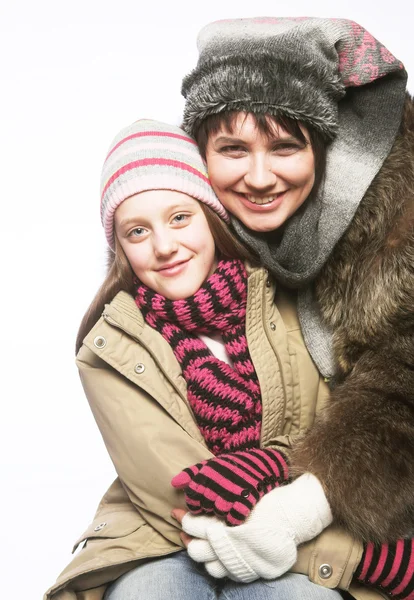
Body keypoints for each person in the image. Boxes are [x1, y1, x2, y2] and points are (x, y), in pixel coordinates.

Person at [44, 118, 351, 600]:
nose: (164, 247)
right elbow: (180, 493)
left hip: (294, 534)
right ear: (120, 248)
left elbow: (331, 433)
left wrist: (317, 537)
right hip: (161, 539)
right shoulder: (109, 347)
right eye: (137, 231)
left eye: (180, 218)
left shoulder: (289, 300)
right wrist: (348, 556)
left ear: (211, 217)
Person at [173, 14, 414, 600]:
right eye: (233, 149)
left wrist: (302, 508)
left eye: (284, 146)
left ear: (330, 149)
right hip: (206, 510)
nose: (259, 178)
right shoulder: (180, 230)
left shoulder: (394, 230)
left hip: (368, 513)